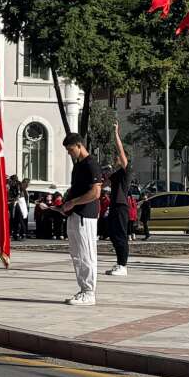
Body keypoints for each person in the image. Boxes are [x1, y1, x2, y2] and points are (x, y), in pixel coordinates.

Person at [61, 133, 103, 306]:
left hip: (86, 214)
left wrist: (74, 202)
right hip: (75, 214)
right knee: (77, 254)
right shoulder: (78, 166)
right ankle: (83, 288)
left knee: (87, 254)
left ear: (79, 145)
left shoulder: (91, 164)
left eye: (71, 150)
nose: (70, 153)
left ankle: (89, 292)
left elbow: (95, 192)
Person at [104, 125, 131, 277]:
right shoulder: (116, 173)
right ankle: (119, 262)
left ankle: (123, 265)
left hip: (121, 206)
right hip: (114, 205)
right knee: (113, 234)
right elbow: (104, 184)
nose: (115, 158)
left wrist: (115, 133)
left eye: (118, 157)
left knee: (120, 235)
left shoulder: (127, 170)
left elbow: (120, 150)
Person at [8, 175, 28, 241]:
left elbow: (18, 195)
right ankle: (16, 234)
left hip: (19, 203)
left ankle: (23, 234)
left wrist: (13, 199)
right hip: (15, 202)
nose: (9, 182)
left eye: (10, 180)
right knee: (15, 219)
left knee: (20, 219)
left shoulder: (18, 185)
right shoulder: (13, 186)